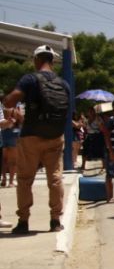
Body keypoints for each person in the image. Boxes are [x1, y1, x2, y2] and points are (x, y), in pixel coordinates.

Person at [3, 45, 72, 234]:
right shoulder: (63, 83)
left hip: (31, 136)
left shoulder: (30, 79)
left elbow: (10, 101)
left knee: (25, 179)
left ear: (37, 59)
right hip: (55, 137)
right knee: (55, 179)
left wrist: (9, 103)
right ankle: (55, 221)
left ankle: (23, 221)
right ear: (52, 60)